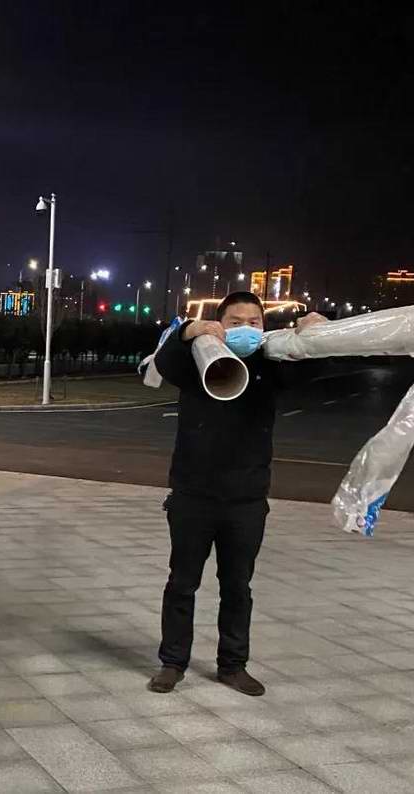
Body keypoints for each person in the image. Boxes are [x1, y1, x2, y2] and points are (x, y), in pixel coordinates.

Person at [148, 291, 325, 696]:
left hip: (246, 499)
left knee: (237, 587)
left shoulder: (269, 364)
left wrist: (313, 334)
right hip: (193, 495)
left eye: (254, 322)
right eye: (235, 321)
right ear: (220, 323)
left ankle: (232, 665)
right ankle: (172, 663)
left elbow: (310, 371)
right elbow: (166, 361)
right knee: (182, 584)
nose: (245, 329)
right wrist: (191, 330)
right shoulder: (197, 360)